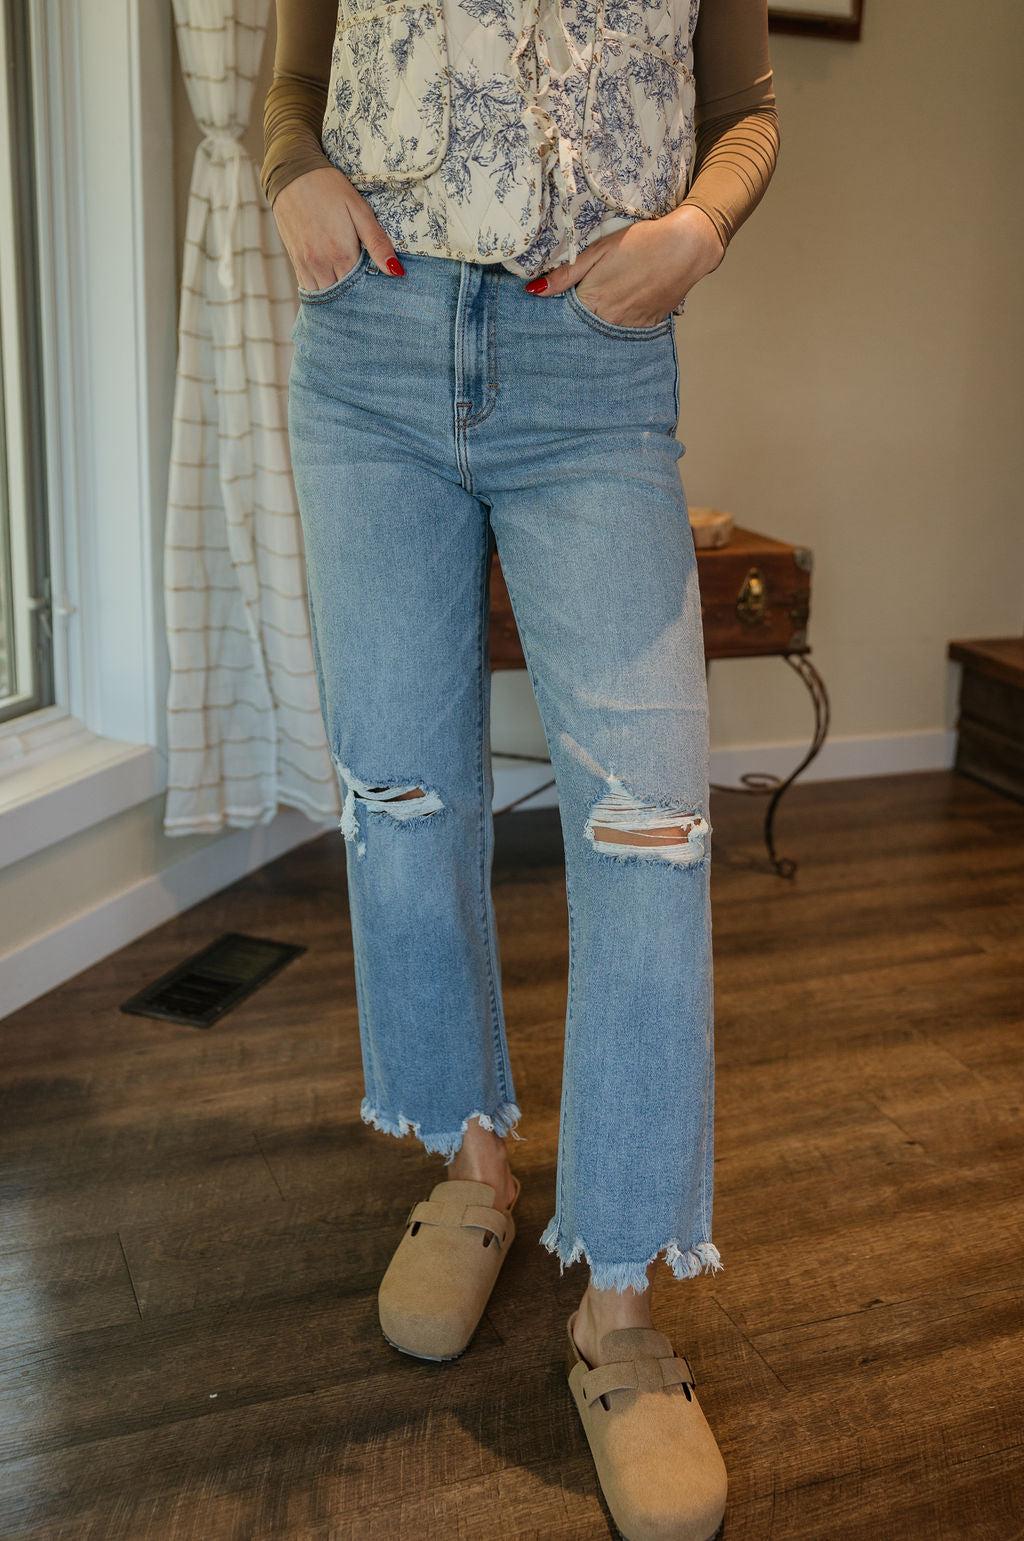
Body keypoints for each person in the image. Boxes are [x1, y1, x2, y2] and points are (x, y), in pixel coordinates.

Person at [262, 0, 778, 1534]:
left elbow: (747, 109)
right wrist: (292, 172)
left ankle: (619, 1300)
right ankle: (475, 1165)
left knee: (650, 826)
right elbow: (293, 80)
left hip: (590, 368)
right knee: (401, 794)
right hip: (369, 346)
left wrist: (698, 229)